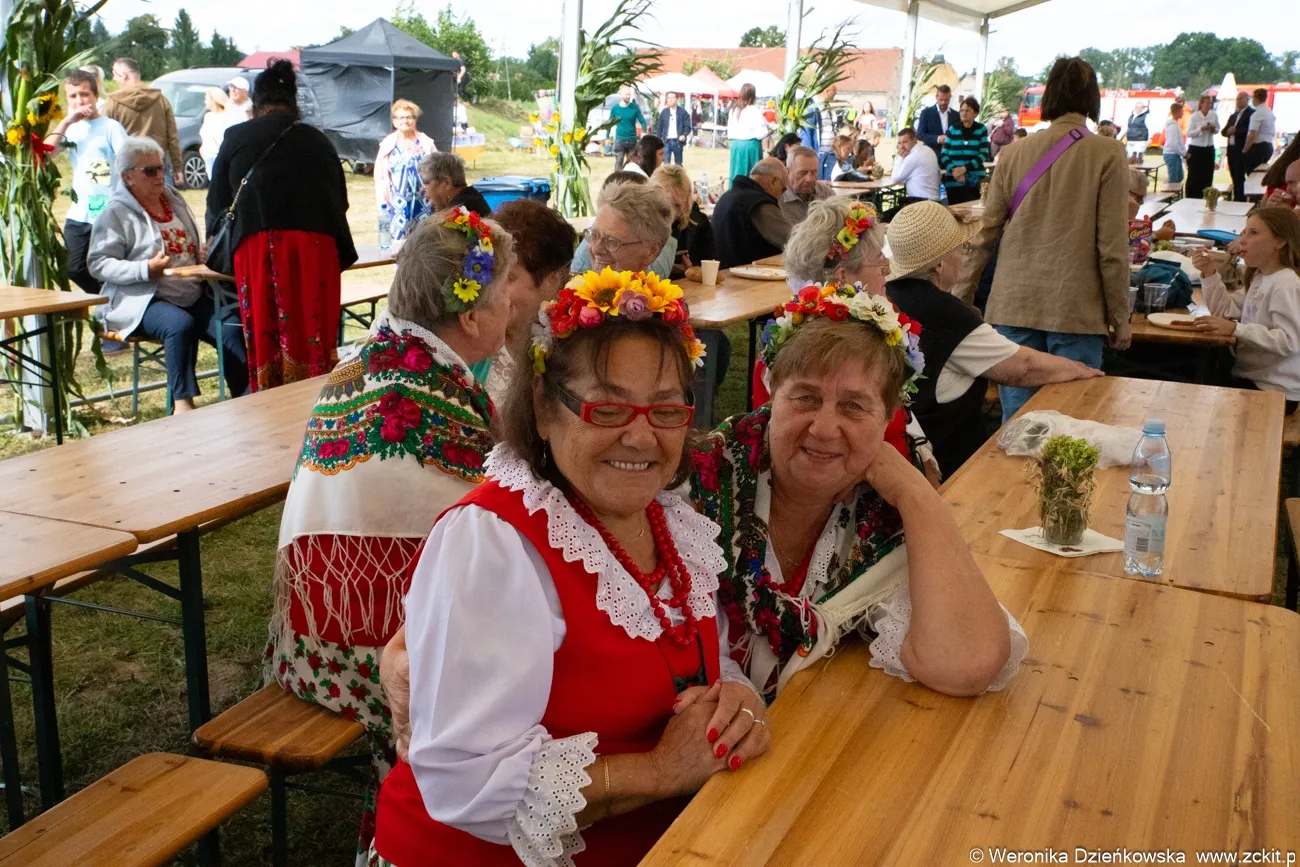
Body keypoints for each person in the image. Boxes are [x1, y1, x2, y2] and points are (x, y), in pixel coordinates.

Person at [371, 269, 769, 867]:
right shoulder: (495, 543)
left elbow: (699, 649)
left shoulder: (668, 517)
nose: (641, 438)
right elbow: (464, 780)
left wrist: (734, 699)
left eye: (666, 410)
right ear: (542, 406)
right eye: (607, 409)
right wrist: (660, 770)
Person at [268, 208, 512, 862]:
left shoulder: (378, 357)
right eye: (505, 294)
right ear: (470, 317)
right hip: (364, 653)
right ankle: (418, 833)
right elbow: (504, 522)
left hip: (312, 632)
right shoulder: (431, 392)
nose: (514, 305)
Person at [953, 56, 1131, 422]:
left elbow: (986, 233)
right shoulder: (1108, 153)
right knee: (1071, 427)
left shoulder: (1013, 152)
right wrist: (1120, 316)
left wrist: (963, 296)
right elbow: (1112, 248)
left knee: (1019, 425)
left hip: (1013, 304)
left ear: (1049, 95)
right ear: (1092, 97)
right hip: (1075, 309)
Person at [884, 201, 1104, 476]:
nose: (963, 258)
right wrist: (1079, 368)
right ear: (939, 265)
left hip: (898, 456)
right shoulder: (946, 314)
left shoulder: (886, 295)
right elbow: (1022, 367)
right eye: (960, 249)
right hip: (948, 467)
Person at [206, 59, 356, 392]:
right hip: (316, 248)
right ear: (293, 101)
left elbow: (217, 203)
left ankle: (270, 399)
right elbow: (341, 202)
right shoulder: (318, 141)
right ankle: (317, 396)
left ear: (257, 102)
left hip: (260, 248)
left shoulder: (237, 137)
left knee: (266, 333)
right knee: (314, 333)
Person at [88, 137, 249, 412]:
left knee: (230, 326)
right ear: (127, 177)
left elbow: (187, 243)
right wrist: (143, 269)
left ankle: (247, 396)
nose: (159, 176)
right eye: (150, 171)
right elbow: (98, 263)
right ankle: (182, 405)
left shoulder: (173, 199)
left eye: (162, 168)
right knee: (179, 325)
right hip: (144, 300)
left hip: (192, 291)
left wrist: (202, 254)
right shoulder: (115, 213)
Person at [1190, 208, 1300, 411]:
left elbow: (1288, 341)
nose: (1242, 241)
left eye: (1253, 233)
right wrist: (1209, 272)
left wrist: (1236, 329)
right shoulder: (1260, 276)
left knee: (1197, 397)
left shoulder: (1285, 283)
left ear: (1280, 242)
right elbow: (1225, 310)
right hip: (1252, 380)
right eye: (1243, 233)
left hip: (1275, 391)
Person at [477, 200, 578, 399]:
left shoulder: (577, 350)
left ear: (553, 280)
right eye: (489, 274)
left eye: (509, 278)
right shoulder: (472, 346)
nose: (490, 290)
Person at [44, 69, 127, 295]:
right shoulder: (71, 128)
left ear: (95, 95)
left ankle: (112, 303)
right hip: (79, 213)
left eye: (84, 94)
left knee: (106, 267)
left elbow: (128, 163)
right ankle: (106, 298)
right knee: (74, 268)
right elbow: (47, 153)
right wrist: (67, 121)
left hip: (107, 212)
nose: (80, 101)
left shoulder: (111, 127)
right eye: (73, 96)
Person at [570, 180, 677, 279]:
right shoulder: (573, 291)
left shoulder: (661, 294)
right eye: (593, 235)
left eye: (611, 242)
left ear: (651, 251)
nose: (596, 249)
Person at [104, 57, 183, 188]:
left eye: (115, 74)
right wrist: (177, 167)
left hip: (128, 171)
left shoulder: (113, 103)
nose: (113, 78)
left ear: (125, 75)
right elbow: (173, 137)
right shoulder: (161, 100)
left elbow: (105, 138)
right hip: (158, 168)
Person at [375, 99, 439, 241]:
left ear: (415, 120)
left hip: (424, 203)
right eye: (401, 117)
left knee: (425, 241)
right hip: (397, 204)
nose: (405, 121)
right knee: (398, 243)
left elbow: (439, 168)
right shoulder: (387, 145)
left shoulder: (426, 142)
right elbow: (380, 177)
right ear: (394, 121)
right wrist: (383, 204)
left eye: (410, 117)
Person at [711, 157, 790, 268]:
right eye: (783, 189)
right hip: (746, 273)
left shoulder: (727, 196)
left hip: (722, 270)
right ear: (773, 181)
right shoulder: (759, 204)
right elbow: (793, 240)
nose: (782, 195)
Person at [652, 163, 716, 280]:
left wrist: (692, 270)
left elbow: (712, 269)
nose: (671, 212)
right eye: (666, 203)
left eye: (677, 205)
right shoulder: (641, 224)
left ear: (687, 201)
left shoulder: (699, 224)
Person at [941, 96, 992, 205]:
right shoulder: (952, 129)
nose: (964, 113)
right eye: (962, 110)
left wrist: (964, 169)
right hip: (954, 181)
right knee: (955, 212)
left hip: (974, 181)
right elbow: (944, 154)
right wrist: (955, 170)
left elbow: (983, 154)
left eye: (968, 110)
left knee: (973, 211)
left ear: (975, 113)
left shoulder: (981, 129)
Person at [418, 151, 492, 216]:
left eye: (426, 183)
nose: (422, 189)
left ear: (447, 183)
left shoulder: (459, 214)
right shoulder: (471, 197)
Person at [779, 145, 834, 224]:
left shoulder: (827, 193)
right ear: (787, 171)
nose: (809, 179)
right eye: (802, 173)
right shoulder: (778, 199)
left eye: (814, 172)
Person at [890, 126, 942, 207]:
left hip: (920, 204)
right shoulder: (928, 149)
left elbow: (895, 179)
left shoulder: (913, 156)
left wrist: (900, 158)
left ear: (914, 140)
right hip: (935, 201)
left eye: (905, 142)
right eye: (899, 143)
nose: (901, 147)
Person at [726, 83, 768, 182]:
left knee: (736, 172)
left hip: (736, 146)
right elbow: (762, 133)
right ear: (753, 96)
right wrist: (766, 149)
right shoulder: (754, 110)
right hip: (750, 146)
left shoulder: (734, 110)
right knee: (752, 175)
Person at [1185, 95, 1219, 199]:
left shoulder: (1213, 115)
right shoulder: (1194, 116)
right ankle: (1192, 197)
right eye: (1207, 103)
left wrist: (1213, 129)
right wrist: (1200, 129)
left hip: (1208, 147)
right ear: (1201, 104)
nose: (1209, 105)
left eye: (1210, 103)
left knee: (1208, 174)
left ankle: (1206, 196)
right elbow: (1189, 133)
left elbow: (1217, 129)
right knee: (1194, 175)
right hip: (1196, 148)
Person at [1223, 92, 1255, 201]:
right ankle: (1237, 196)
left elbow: (1250, 130)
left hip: (1242, 149)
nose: (1238, 101)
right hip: (1232, 149)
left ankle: (1241, 198)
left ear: (1247, 100)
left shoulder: (1251, 114)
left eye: (1241, 98)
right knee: (1234, 175)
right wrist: (1228, 131)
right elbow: (1224, 131)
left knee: (1240, 175)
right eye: (1237, 99)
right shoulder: (1233, 116)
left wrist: (1235, 131)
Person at [198, 87, 234, 181]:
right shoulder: (208, 116)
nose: (205, 101)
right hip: (207, 157)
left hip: (219, 157)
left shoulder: (226, 117)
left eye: (207, 99)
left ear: (214, 100)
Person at [609, 85, 646, 171]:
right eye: (626, 94)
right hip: (620, 140)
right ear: (621, 94)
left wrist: (643, 132)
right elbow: (609, 123)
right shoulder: (615, 109)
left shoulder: (635, 108)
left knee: (633, 164)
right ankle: (617, 178)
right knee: (618, 163)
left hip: (632, 140)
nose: (628, 96)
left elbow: (643, 122)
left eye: (629, 94)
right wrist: (607, 137)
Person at [916, 84, 960, 156]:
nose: (943, 102)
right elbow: (920, 135)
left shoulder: (956, 115)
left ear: (950, 97)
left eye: (946, 100)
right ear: (936, 97)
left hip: (951, 156)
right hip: (931, 155)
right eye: (941, 100)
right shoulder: (926, 113)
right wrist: (937, 139)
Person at [1244, 88, 1276, 175]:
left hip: (1258, 147)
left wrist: (1245, 150)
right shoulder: (1269, 112)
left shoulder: (1257, 114)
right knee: (1261, 174)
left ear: (1255, 98)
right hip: (1268, 146)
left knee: (1252, 174)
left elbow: (1252, 134)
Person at [656, 92, 691, 165]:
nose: (670, 100)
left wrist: (684, 135)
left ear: (677, 99)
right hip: (666, 142)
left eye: (672, 98)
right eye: (668, 98)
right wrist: (658, 140)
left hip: (678, 141)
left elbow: (687, 126)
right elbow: (659, 127)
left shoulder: (683, 112)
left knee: (678, 164)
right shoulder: (664, 112)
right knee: (666, 164)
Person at [1161, 102, 1187, 187]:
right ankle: (1168, 191)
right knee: (1173, 178)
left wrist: (1184, 152)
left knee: (1179, 176)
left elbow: (1180, 141)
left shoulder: (1176, 124)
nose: (1182, 113)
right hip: (1171, 154)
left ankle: (1169, 187)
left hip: (1175, 154)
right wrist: (1183, 154)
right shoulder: (1172, 126)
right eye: (1181, 111)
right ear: (1176, 112)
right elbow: (1174, 144)